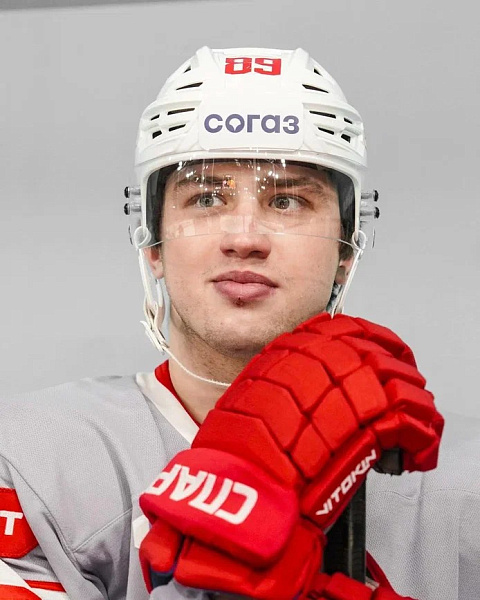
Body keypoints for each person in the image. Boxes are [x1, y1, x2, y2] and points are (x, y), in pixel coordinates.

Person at [0, 46, 463, 600]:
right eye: (206, 198)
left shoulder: (466, 486)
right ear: (152, 242)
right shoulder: (28, 455)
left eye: (287, 201)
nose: (244, 238)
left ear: (347, 246)